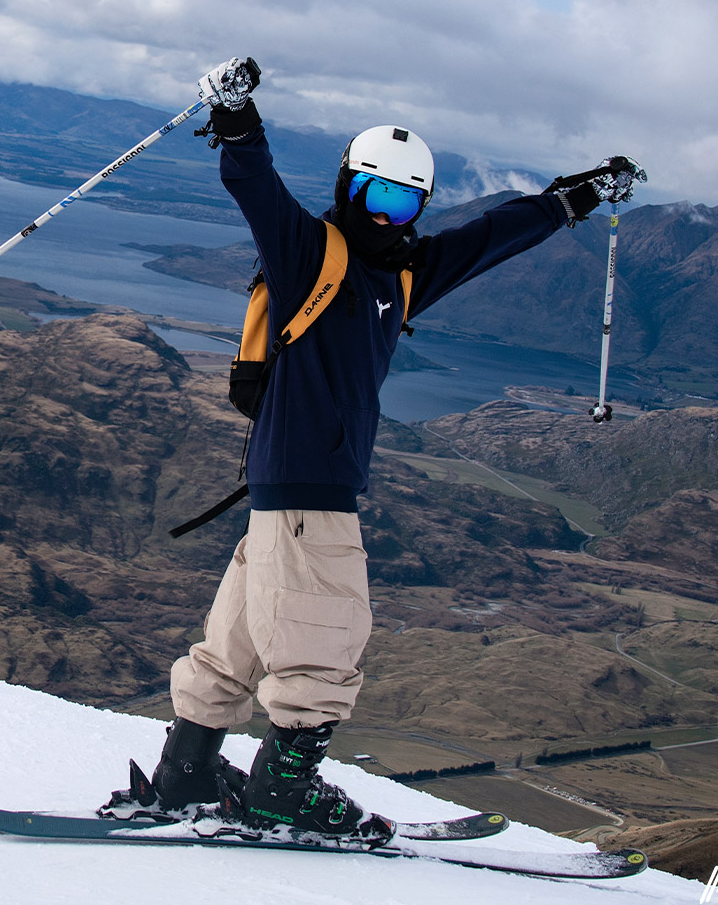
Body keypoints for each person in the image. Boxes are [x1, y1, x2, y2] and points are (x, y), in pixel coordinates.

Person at [134, 57, 641, 837]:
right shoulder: (310, 256)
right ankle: (284, 793)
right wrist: (237, 117)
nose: (385, 212)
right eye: (373, 191)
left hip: (288, 492)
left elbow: (492, 236)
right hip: (310, 491)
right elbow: (257, 189)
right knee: (327, 632)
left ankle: (187, 772)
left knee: (237, 635)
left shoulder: (403, 275)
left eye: (403, 199)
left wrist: (574, 198)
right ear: (347, 186)